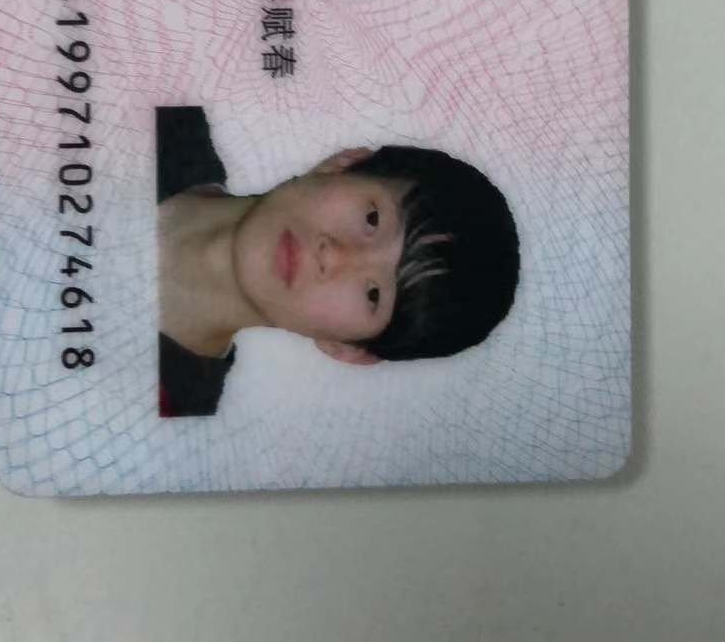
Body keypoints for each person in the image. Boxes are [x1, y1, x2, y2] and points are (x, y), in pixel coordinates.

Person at [156, 106, 520, 418]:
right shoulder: (157, 102)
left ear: (349, 349)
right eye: (372, 219)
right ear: (346, 162)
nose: (333, 254)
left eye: (373, 295)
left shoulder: (172, 418)